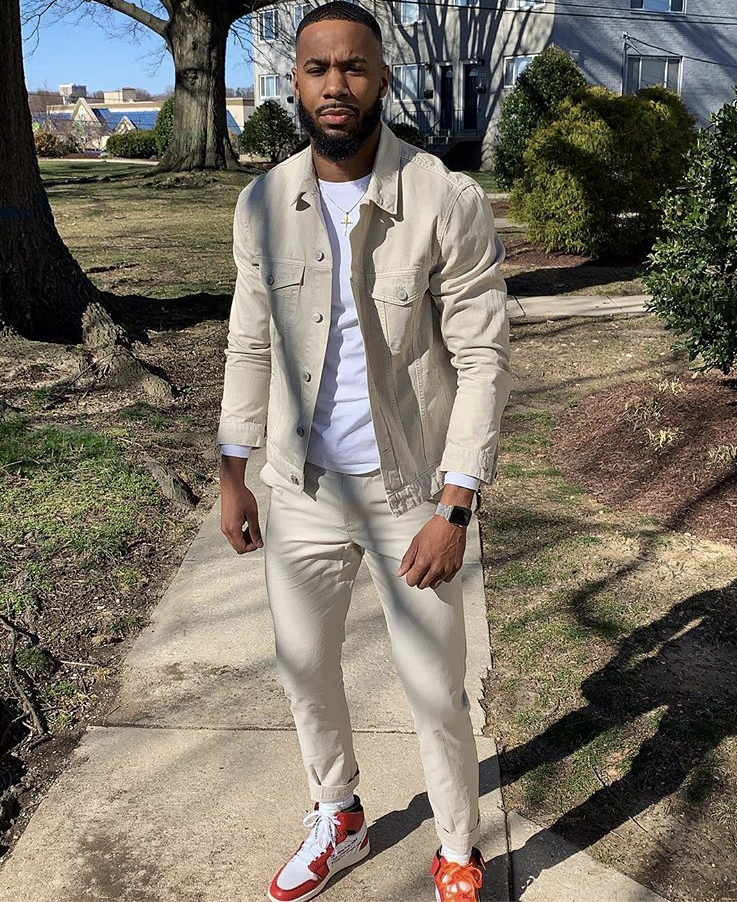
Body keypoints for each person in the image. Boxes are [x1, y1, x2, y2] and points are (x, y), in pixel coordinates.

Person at [216, 3, 512, 899]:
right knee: (304, 669)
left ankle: (456, 846)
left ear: (383, 77)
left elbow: (483, 355)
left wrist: (455, 505)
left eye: (353, 67)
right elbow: (249, 342)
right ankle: (337, 815)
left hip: (410, 492)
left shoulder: (443, 198)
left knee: (435, 690)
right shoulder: (263, 202)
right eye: (318, 69)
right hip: (301, 487)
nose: (335, 85)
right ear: (295, 82)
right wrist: (233, 472)